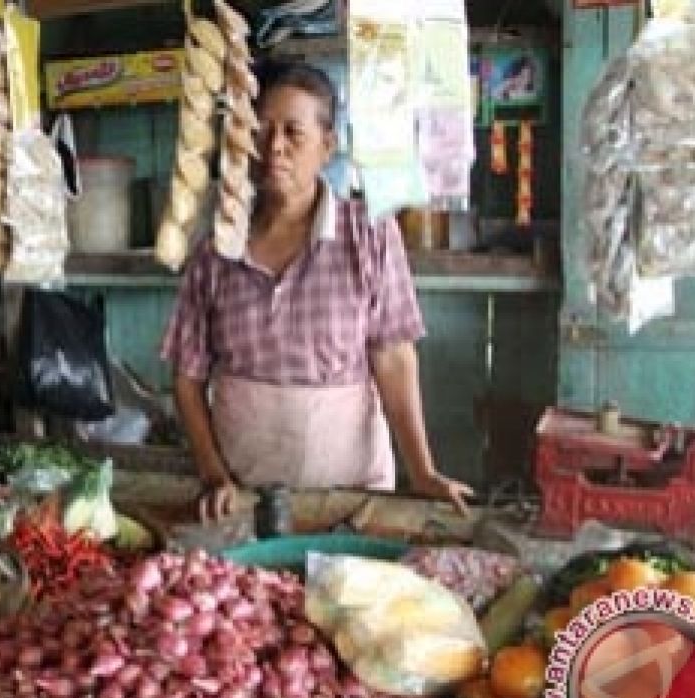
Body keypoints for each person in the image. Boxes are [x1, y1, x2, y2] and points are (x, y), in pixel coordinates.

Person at [160, 60, 473, 521]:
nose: (275, 148)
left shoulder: (367, 233)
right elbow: (187, 380)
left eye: (293, 133)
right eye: (260, 131)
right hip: (245, 498)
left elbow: (394, 358)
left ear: (327, 146)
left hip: (352, 496)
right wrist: (213, 475)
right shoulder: (216, 247)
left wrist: (422, 471)